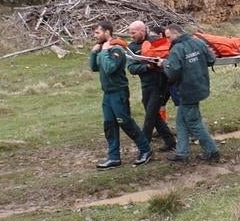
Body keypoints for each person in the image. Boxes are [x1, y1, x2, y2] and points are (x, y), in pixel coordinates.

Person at [89, 20, 152, 169]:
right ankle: (113, 157)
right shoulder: (102, 49)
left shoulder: (116, 49)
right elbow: (94, 67)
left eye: (97, 32)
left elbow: (110, 68)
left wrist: (104, 51)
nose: (95, 35)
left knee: (125, 122)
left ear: (107, 32)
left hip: (119, 92)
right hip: (107, 94)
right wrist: (94, 53)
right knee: (109, 125)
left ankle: (145, 149)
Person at [157, 24, 220, 163]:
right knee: (181, 121)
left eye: (168, 37)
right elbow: (211, 59)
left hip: (187, 90)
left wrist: (164, 64)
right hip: (200, 86)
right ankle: (181, 153)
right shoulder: (198, 42)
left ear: (176, 34)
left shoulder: (176, 49)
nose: (168, 40)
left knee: (194, 122)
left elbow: (173, 72)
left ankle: (212, 151)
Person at [127, 21, 176, 152]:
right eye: (130, 32)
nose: (131, 35)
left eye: (133, 32)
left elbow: (170, 54)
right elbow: (131, 68)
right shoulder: (131, 47)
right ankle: (170, 142)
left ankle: (144, 144)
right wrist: (146, 67)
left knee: (150, 115)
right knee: (154, 115)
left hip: (160, 82)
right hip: (146, 84)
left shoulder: (157, 41)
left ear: (142, 31)